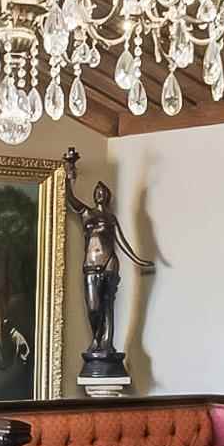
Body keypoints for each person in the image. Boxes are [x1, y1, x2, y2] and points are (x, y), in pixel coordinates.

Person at [61, 148, 153, 379]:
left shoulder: (111, 219)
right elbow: (68, 198)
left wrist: (139, 260)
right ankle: (96, 340)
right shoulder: (86, 214)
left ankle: (106, 345)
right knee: (93, 307)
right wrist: (69, 172)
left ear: (107, 196)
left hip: (109, 263)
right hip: (89, 265)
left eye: (102, 191)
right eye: (97, 191)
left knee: (108, 306)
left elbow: (122, 243)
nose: (99, 193)